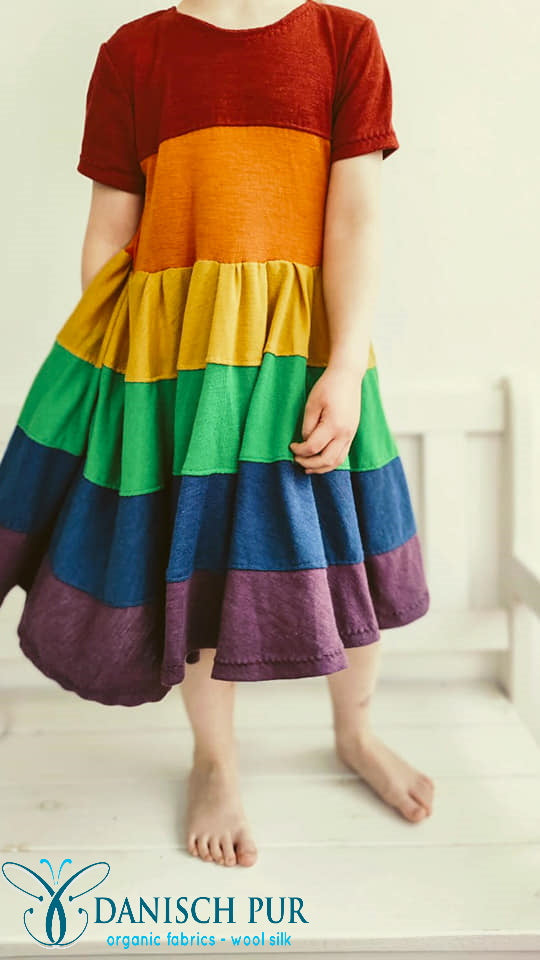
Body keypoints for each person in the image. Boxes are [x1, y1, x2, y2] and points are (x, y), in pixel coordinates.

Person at [0, 0, 434, 868]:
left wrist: (345, 365)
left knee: (341, 549)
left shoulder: (343, 40)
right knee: (195, 559)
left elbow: (354, 219)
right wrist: (134, 372)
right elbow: (111, 230)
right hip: (180, 363)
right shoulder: (134, 53)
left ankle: (355, 732)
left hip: (305, 352)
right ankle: (214, 759)